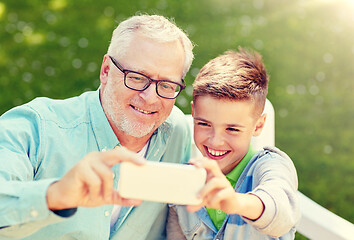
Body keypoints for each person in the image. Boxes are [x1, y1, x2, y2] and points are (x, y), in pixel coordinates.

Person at [0, 14, 194, 240]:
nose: (151, 98)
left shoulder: (178, 133)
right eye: (137, 77)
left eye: (166, 85)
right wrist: (56, 195)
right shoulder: (36, 128)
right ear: (105, 71)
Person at [167, 48, 300, 239]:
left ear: (258, 125)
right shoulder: (184, 182)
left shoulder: (271, 165)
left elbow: (282, 212)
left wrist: (236, 202)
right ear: (194, 112)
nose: (215, 140)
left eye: (232, 129)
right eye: (204, 124)